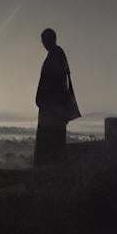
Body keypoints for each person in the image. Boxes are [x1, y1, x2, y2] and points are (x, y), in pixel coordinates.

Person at [34, 28, 81, 167]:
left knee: (51, 149)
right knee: (53, 148)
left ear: (50, 39)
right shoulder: (57, 56)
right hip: (54, 111)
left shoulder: (56, 57)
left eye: (44, 40)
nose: (43, 43)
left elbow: (55, 85)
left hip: (53, 112)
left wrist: (45, 102)